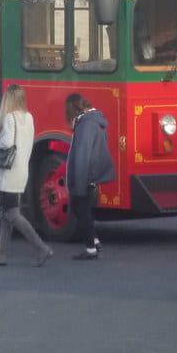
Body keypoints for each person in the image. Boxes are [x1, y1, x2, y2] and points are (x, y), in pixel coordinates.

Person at [0, 84, 52, 267]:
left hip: (10, 171)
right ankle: (1, 254)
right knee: (6, 214)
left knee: (12, 213)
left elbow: (7, 143)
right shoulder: (28, 117)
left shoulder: (9, 118)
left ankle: (41, 247)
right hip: (22, 168)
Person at [65, 93, 116, 260]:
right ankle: (94, 241)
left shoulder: (85, 125)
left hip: (84, 177)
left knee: (80, 209)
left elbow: (82, 155)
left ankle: (90, 248)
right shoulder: (93, 121)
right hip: (92, 175)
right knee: (84, 210)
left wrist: (77, 184)